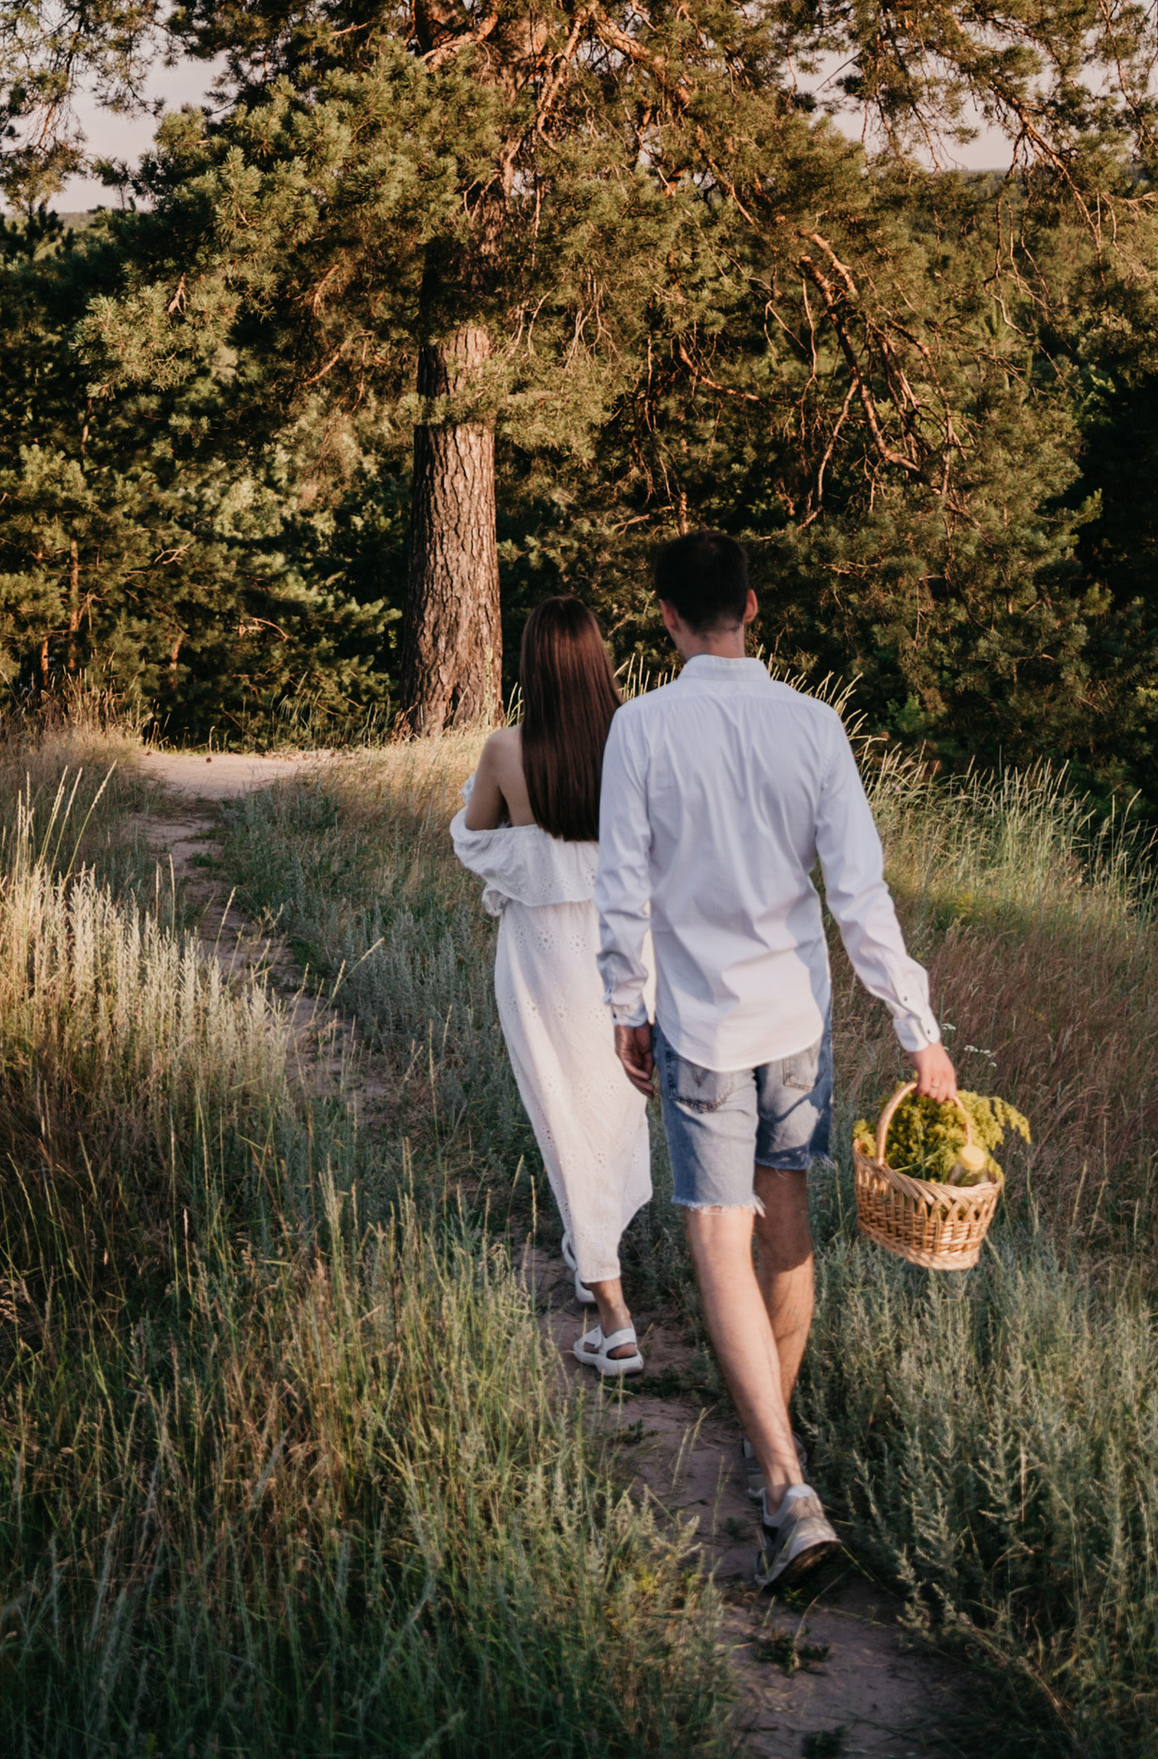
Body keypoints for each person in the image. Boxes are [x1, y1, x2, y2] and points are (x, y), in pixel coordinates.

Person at [597, 531, 957, 1592]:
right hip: (794, 1018)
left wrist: (626, 1006)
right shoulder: (814, 725)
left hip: (700, 1024)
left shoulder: (640, 728)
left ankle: (788, 1484)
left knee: (719, 1237)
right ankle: (774, 1475)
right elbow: (858, 893)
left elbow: (622, 885)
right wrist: (916, 1024)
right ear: (750, 607)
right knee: (785, 1221)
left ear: (668, 617)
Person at [452, 597, 654, 1377]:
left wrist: (530, 854)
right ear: (600, 661)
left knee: (564, 1121)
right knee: (612, 1117)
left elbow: (473, 839)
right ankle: (593, 1256)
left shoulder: (507, 750)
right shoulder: (635, 736)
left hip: (541, 959)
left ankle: (615, 1319)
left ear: (532, 664)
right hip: (626, 952)